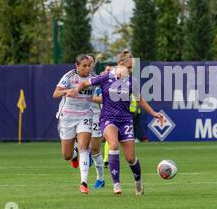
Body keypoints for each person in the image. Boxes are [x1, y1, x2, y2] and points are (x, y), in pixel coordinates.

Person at [68, 50, 164, 196]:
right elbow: (85, 83)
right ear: (120, 64)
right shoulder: (106, 77)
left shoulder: (132, 81)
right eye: (130, 67)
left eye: (133, 68)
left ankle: (138, 181)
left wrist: (154, 113)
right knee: (112, 144)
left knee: (131, 158)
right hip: (108, 118)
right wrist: (76, 90)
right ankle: (116, 184)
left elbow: (140, 101)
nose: (132, 70)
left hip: (125, 120)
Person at [52, 54, 104, 194]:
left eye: (89, 65)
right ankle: (73, 156)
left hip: (85, 115)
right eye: (84, 66)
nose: (87, 68)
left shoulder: (93, 78)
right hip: (68, 116)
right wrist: (67, 91)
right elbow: (55, 93)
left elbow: (102, 94)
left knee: (84, 147)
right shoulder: (69, 76)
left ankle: (83, 183)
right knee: (66, 155)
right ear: (77, 66)